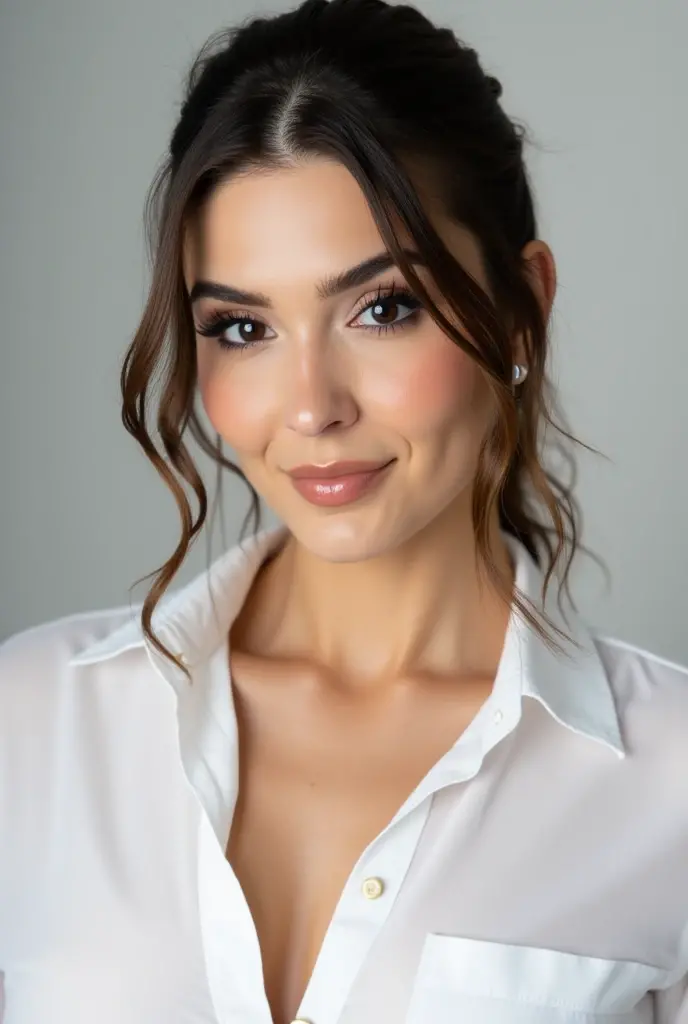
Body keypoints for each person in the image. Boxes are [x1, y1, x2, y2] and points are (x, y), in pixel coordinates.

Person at [1, 0, 687, 1021]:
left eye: (383, 308)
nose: (313, 405)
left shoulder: (668, 787)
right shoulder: (31, 727)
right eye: (241, 328)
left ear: (520, 310)